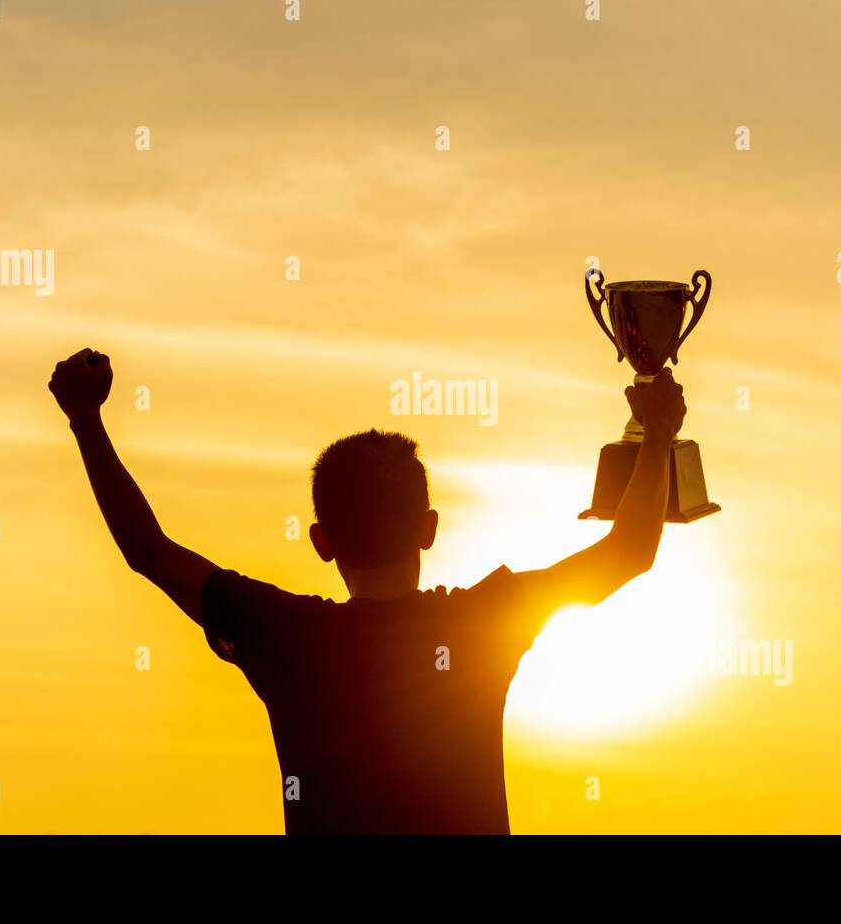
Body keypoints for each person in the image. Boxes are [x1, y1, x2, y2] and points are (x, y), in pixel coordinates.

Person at [49, 347, 687, 833]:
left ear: (322, 540)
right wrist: (656, 434)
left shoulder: (284, 635)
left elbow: (148, 550)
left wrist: (86, 421)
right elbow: (629, 552)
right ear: (429, 529)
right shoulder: (483, 622)